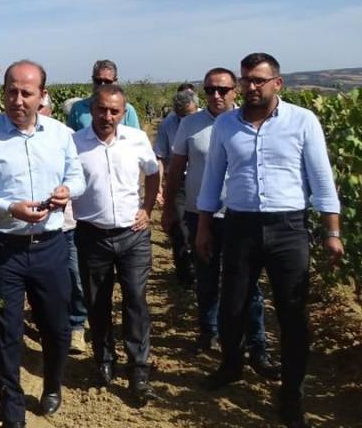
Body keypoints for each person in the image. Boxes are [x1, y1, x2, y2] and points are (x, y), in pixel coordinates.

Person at [196, 53, 344, 428]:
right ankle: (232, 366)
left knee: (292, 313)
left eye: (260, 80)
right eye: (247, 79)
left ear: (278, 83)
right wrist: (203, 226)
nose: (252, 86)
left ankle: (292, 393)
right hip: (240, 225)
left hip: (288, 227)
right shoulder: (227, 126)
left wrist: (332, 231)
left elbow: (321, 178)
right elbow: (213, 178)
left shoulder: (302, 121)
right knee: (232, 306)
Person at [0, 60, 85, 427]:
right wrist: (7, 207)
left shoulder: (60, 134)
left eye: (26, 93)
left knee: (56, 326)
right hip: (3, 249)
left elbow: (76, 178)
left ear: (42, 96)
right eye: (11, 91)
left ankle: (53, 384)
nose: (17, 99)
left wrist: (67, 191)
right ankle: (11, 412)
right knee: (6, 332)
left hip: (50, 246)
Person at [160, 69, 272, 374]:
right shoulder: (190, 124)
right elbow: (175, 168)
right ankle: (208, 332)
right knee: (206, 279)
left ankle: (257, 345)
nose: (216, 95)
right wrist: (169, 207)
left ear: (235, 90)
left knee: (248, 285)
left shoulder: (248, 124)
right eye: (210, 90)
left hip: (240, 216)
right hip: (199, 215)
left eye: (223, 89)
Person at [71, 83, 160, 406]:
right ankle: (104, 360)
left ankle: (139, 369)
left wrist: (147, 209)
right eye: (102, 109)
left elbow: (153, 173)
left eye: (114, 111)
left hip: (132, 235)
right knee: (97, 301)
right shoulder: (74, 143)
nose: (107, 116)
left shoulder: (135, 139)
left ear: (124, 113)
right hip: (92, 234)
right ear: (91, 109)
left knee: (136, 300)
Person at [40, 92, 88, 356]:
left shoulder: (68, 136)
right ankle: (53, 324)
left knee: (75, 277)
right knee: (49, 283)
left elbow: (81, 178)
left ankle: (77, 326)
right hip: (35, 227)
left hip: (67, 223)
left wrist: (68, 190)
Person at [155, 87, 198, 287]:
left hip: (202, 180)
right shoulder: (167, 125)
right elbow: (161, 158)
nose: (184, 121)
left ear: (196, 107)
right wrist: (159, 187)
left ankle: (203, 269)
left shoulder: (208, 122)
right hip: (179, 182)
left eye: (187, 115)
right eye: (180, 116)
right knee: (180, 227)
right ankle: (185, 276)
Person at [66, 60, 141, 131]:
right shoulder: (78, 108)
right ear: (93, 79)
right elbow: (70, 139)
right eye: (98, 81)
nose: (102, 85)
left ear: (115, 81)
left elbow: (135, 140)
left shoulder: (128, 110)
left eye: (107, 81)